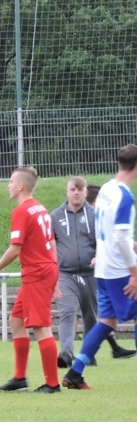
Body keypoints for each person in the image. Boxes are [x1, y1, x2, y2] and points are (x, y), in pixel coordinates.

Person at [63, 144, 137, 390]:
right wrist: (134, 272)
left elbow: (103, 226)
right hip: (119, 270)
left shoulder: (106, 188)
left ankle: (75, 372)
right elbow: (120, 236)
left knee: (106, 321)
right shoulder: (126, 196)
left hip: (103, 268)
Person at [0, 167, 62, 392]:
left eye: (11, 182)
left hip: (37, 272)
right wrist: (54, 272)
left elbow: (15, 249)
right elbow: (51, 243)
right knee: (17, 321)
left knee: (41, 327)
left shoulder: (22, 211)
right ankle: (20, 379)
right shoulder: (41, 208)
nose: (8, 185)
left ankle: (52, 384)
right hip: (42, 270)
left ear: (21, 186)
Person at [50, 177, 134, 366]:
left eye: (80, 189)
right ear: (67, 191)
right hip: (66, 273)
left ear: (86, 192)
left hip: (90, 273)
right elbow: (51, 245)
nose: (76, 193)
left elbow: (105, 240)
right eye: (73, 189)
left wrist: (99, 255)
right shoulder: (55, 216)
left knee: (91, 316)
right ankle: (65, 353)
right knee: (67, 311)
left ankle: (88, 356)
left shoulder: (94, 215)